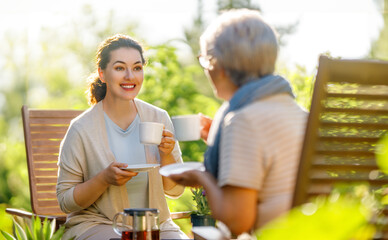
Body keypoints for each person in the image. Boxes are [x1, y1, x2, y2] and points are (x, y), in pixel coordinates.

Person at [169, 9, 308, 238]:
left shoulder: (242, 121)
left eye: (205, 60)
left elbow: (237, 221)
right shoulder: (301, 114)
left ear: (219, 66)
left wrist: (201, 177)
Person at [56, 34, 189, 240]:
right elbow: (65, 201)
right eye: (120, 68)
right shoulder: (81, 129)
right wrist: (103, 179)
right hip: (99, 224)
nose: (130, 76)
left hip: (155, 224)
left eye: (137, 68)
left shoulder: (158, 117)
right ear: (102, 73)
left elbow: (176, 190)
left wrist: (167, 156)